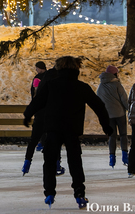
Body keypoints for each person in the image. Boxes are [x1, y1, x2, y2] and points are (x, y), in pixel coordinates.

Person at [23, 55, 113, 210]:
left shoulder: (51, 85)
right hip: (72, 130)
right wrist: (107, 127)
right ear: (76, 69)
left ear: (59, 68)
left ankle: (50, 192)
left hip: (53, 129)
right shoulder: (82, 87)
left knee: (50, 162)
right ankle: (79, 192)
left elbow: (37, 102)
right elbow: (99, 106)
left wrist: (27, 115)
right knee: (75, 162)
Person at [23, 64, 65, 176]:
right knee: (55, 141)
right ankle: (56, 164)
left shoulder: (42, 86)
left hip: (40, 116)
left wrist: (28, 115)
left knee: (33, 140)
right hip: (53, 117)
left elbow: (35, 101)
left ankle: (26, 163)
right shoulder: (59, 85)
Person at [96, 65, 129, 168]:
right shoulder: (117, 85)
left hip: (108, 115)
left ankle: (112, 157)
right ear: (114, 74)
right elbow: (124, 99)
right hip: (120, 114)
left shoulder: (101, 86)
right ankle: (125, 155)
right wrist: (129, 109)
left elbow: (98, 99)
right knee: (123, 134)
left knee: (112, 136)